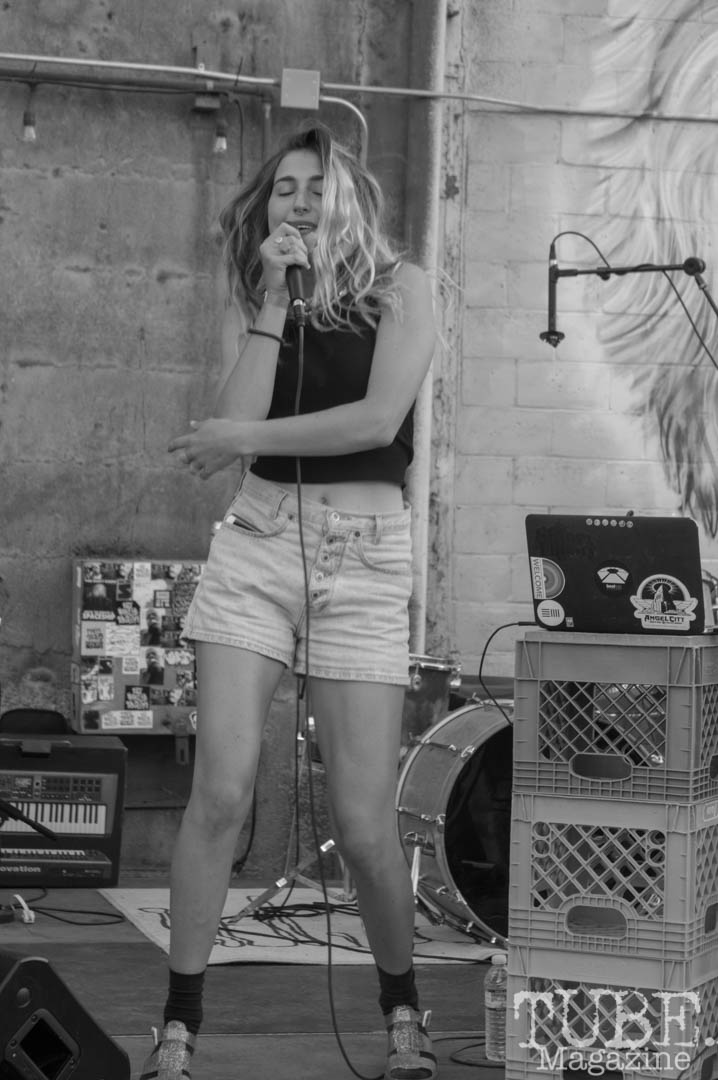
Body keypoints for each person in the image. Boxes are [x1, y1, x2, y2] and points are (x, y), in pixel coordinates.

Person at [138, 123, 437, 1080]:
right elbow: (241, 416)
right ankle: (178, 1026)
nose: (299, 201)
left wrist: (239, 437)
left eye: (317, 186)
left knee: (364, 824)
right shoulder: (260, 289)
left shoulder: (404, 287)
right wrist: (272, 297)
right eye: (283, 189)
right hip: (259, 542)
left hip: (366, 555)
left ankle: (404, 1013)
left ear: (350, 197)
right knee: (220, 794)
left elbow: (377, 422)